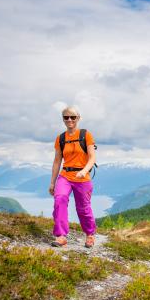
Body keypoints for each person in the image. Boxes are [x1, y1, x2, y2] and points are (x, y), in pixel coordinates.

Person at [48, 106, 97, 248]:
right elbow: (57, 161)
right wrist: (52, 183)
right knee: (60, 199)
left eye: (73, 117)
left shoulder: (86, 135)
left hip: (82, 177)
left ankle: (90, 235)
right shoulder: (60, 138)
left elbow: (92, 158)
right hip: (65, 175)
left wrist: (84, 170)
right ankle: (61, 236)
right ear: (63, 119)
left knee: (83, 207)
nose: (69, 120)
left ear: (78, 118)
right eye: (66, 117)